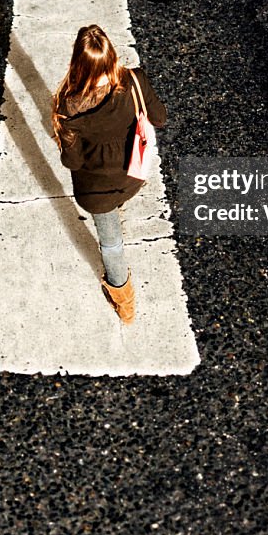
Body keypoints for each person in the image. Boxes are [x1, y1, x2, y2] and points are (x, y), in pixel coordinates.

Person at [50, 24, 167, 324]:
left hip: (98, 192)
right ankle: (124, 303)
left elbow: (72, 162)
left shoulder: (68, 107)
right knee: (118, 206)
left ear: (78, 63)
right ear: (111, 56)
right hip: (133, 175)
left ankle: (124, 301)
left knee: (111, 243)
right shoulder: (134, 80)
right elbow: (160, 118)